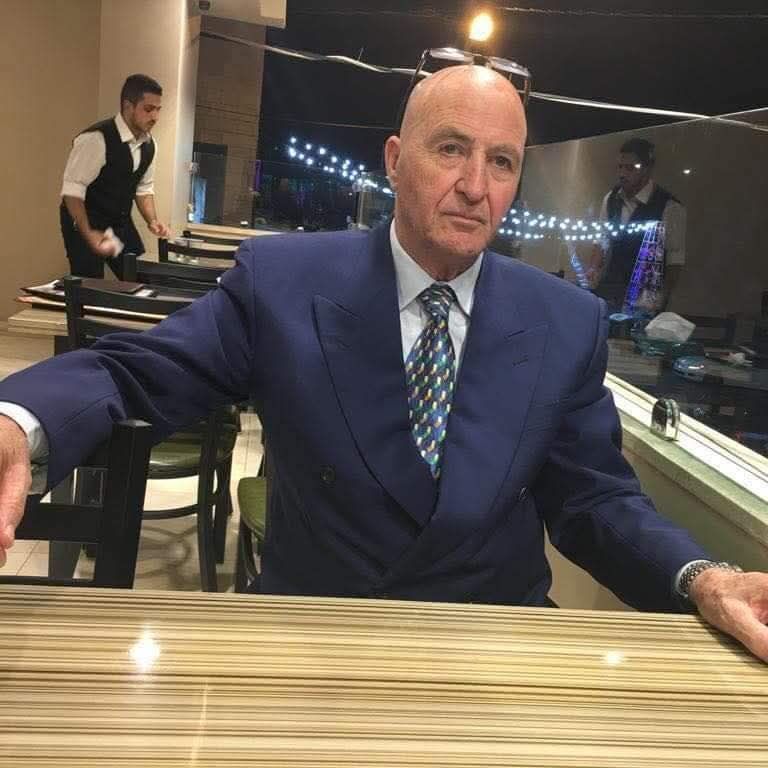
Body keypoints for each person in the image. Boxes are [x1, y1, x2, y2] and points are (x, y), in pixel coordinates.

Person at [0, 66, 766, 660]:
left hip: (493, 649)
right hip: (312, 639)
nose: (475, 187)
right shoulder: (286, 284)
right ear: (396, 160)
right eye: (451, 150)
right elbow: (133, 371)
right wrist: (15, 421)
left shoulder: (565, 321)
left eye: (501, 162)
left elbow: (595, 501)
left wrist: (703, 578)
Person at [59, 73, 171, 279]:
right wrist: (89, 234)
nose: (155, 117)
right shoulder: (96, 139)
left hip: (120, 222)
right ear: (128, 106)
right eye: (148, 109)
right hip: (86, 220)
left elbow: (143, 189)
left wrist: (152, 220)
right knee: (90, 285)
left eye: (158, 109)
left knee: (139, 280)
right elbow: (72, 193)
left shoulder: (149, 145)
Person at [593, 138, 686, 312]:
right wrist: (593, 271)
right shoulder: (611, 199)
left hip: (645, 295)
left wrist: (661, 298)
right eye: (620, 167)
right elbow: (602, 241)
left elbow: (675, 260)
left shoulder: (669, 206)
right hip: (610, 288)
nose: (622, 173)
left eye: (630, 168)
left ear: (647, 169)